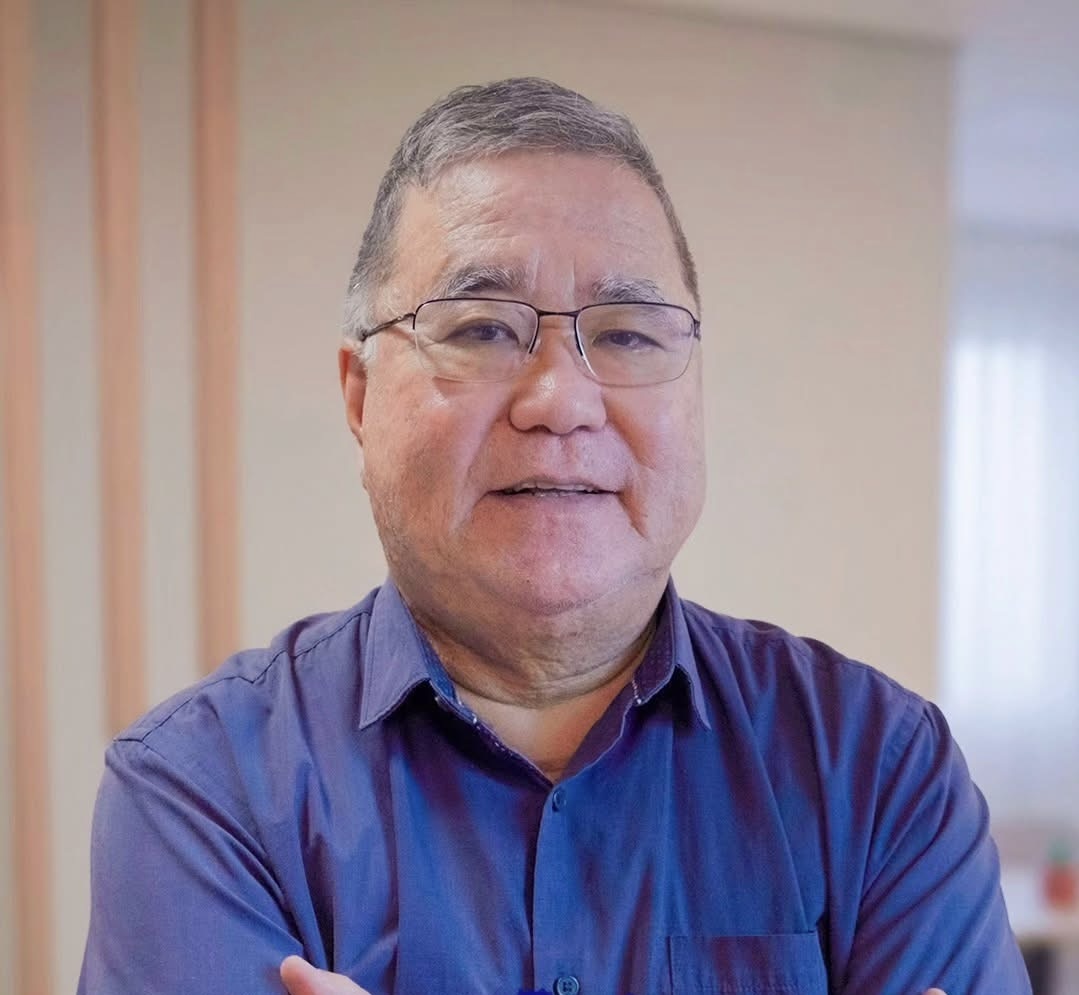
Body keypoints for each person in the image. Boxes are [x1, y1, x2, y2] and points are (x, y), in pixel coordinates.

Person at [77, 77, 1029, 995]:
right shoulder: (206, 789)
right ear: (361, 399)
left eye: (625, 335)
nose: (561, 400)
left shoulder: (877, 769)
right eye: (481, 330)